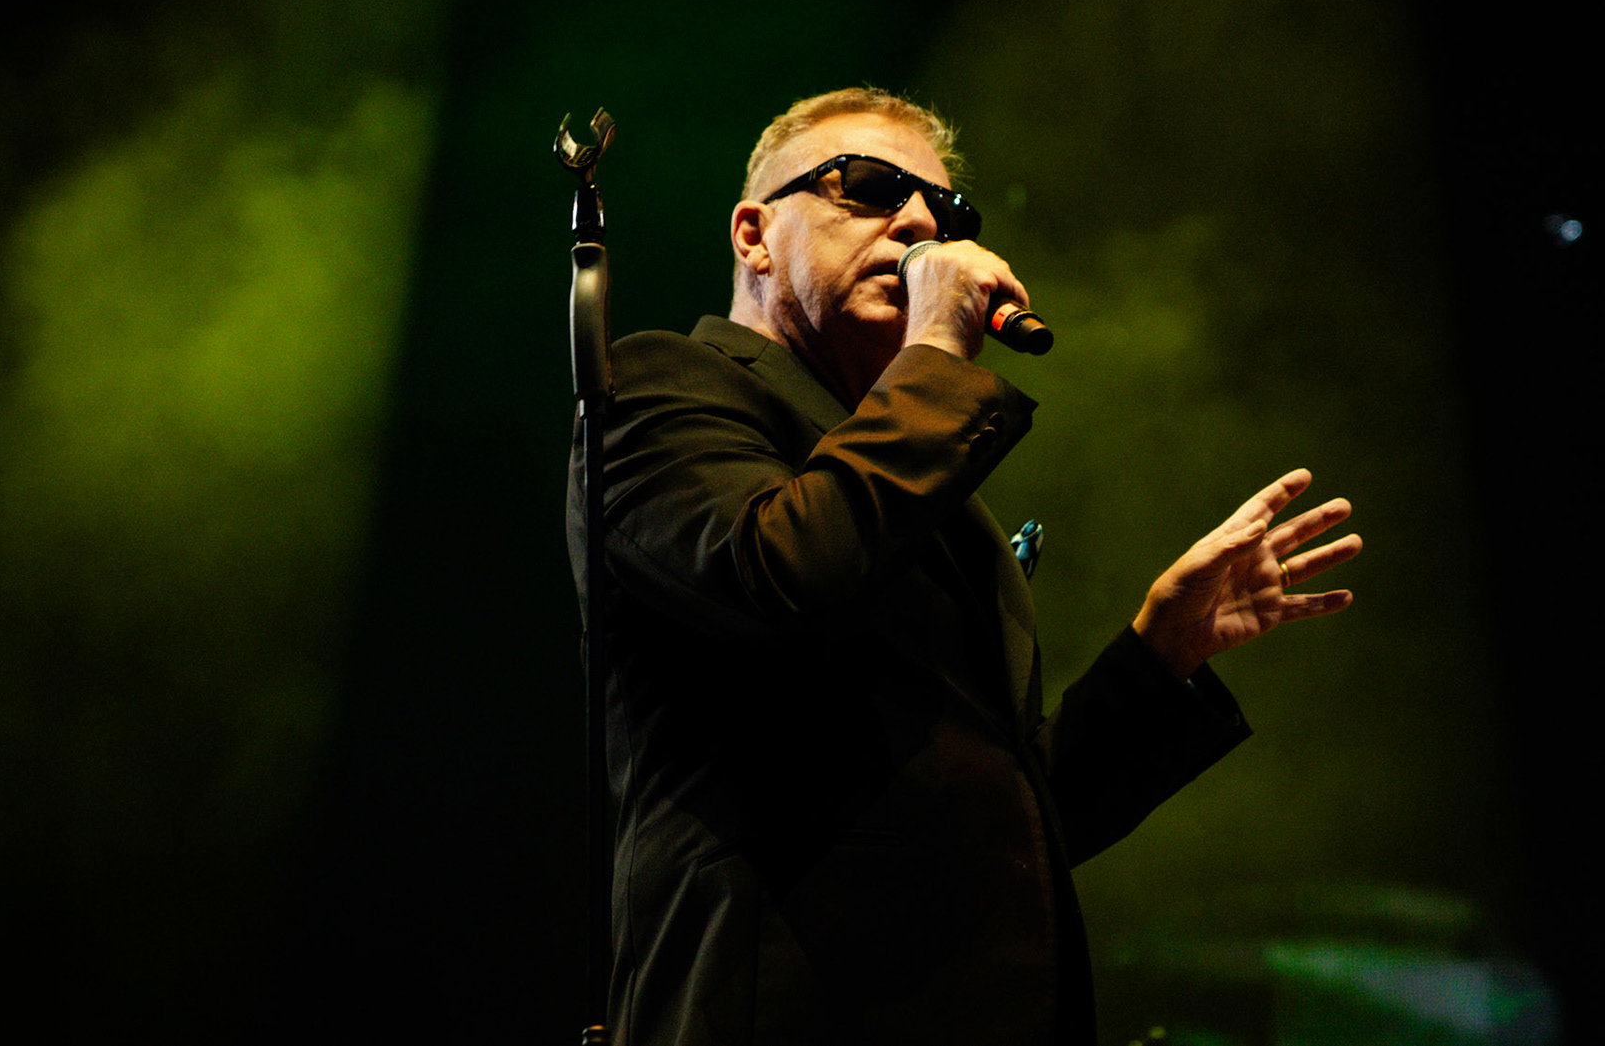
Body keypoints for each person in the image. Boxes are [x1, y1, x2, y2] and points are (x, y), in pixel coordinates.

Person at [567, 87, 1359, 1045]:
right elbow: (779, 572)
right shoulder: (663, 386)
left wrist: (1160, 654)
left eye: (947, 211)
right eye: (868, 186)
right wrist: (939, 345)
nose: (918, 222)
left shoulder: (928, 491)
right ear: (755, 235)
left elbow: (1005, 826)